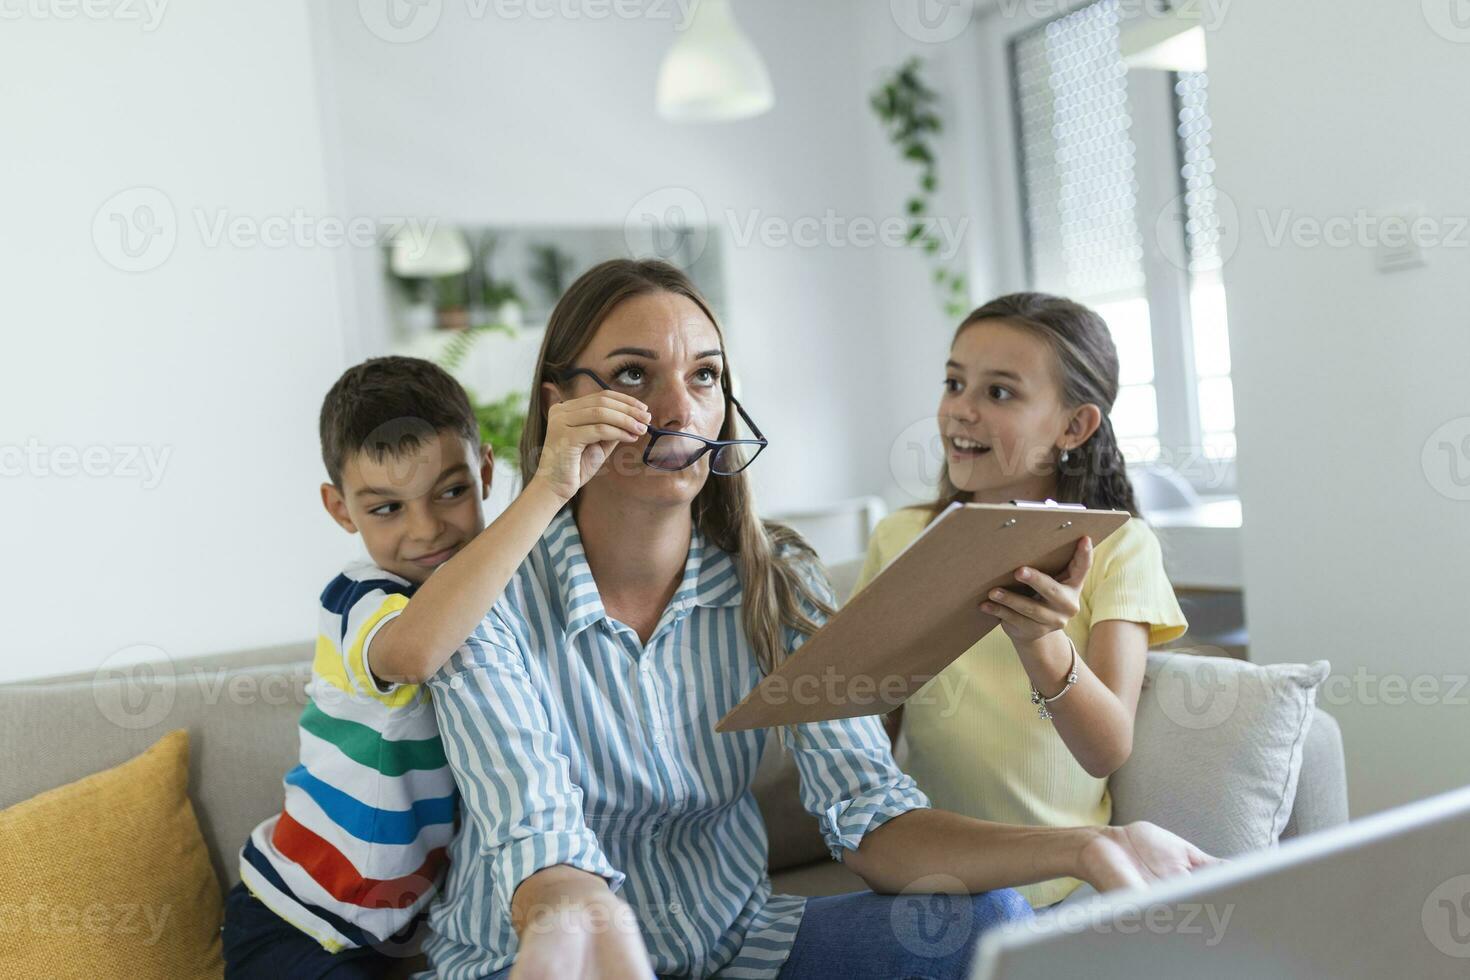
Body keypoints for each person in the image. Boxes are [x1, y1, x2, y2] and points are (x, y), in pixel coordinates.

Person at [420, 261, 1215, 980]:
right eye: (635, 374)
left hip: (738, 948)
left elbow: (872, 816)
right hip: (547, 960)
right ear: (560, 404)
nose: (680, 408)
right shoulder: (486, 596)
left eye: (705, 376)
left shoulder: (779, 579)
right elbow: (538, 838)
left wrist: (1090, 845)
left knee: (988, 920)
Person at [223, 355, 650, 978]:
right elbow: (415, 651)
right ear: (341, 510)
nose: (425, 530)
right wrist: (550, 488)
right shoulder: (357, 600)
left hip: (390, 933)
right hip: (294, 919)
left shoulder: (493, 604)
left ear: (483, 471)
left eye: (450, 492)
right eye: (386, 508)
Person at [854, 292, 1189, 908]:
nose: (961, 411)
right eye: (954, 383)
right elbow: (867, 733)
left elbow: (1105, 750)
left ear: (1074, 426)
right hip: (933, 874)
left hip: (1051, 884)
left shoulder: (1118, 547)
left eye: (999, 392)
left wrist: (1040, 640)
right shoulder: (899, 537)